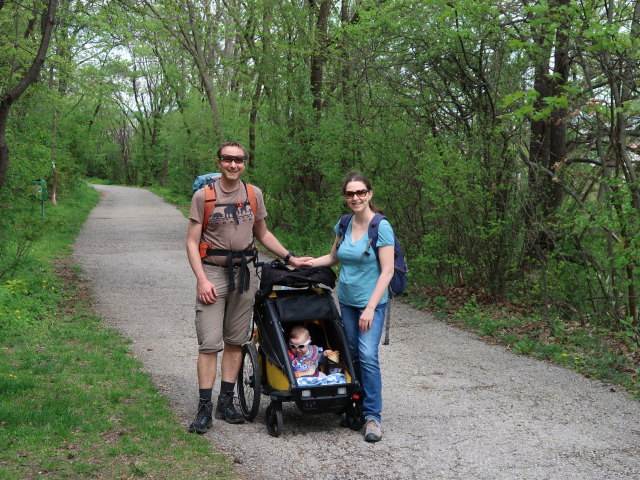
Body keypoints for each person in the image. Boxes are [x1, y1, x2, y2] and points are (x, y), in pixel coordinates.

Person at [185, 141, 310, 434]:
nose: (233, 164)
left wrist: (290, 258)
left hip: (246, 273)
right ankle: (204, 407)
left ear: (244, 163)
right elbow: (191, 241)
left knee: (235, 340)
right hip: (213, 273)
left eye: (238, 160)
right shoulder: (204, 196)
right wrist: (202, 279)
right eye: (227, 159)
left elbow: (263, 233)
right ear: (219, 162)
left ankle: (225, 401)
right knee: (209, 343)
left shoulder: (254, 195)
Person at [309, 171, 394, 443]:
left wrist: (370, 308)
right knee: (351, 353)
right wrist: (304, 262)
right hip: (346, 301)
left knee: (368, 355)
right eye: (350, 193)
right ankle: (353, 403)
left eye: (360, 192)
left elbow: (388, 271)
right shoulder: (344, 224)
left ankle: (373, 418)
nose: (355, 197)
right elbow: (334, 257)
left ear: (369, 194)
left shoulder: (381, 226)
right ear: (345, 197)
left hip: (372, 304)